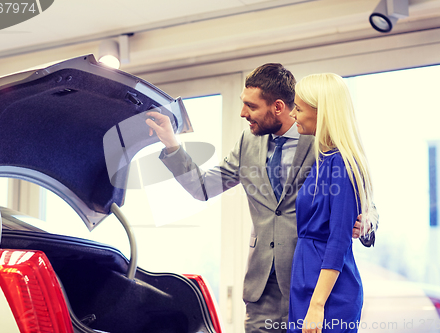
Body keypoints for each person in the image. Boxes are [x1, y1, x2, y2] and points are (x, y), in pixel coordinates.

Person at [145, 64, 375, 333]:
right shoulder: (247, 142)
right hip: (262, 290)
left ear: (278, 107)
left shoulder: (320, 139)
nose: (243, 113)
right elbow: (203, 187)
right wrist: (171, 145)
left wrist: (368, 222)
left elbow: (360, 199)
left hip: (310, 282)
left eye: (251, 107)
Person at [287, 73, 373, 333]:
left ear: (322, 112)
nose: (293, 115)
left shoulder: (342, 163)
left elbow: (338, 239)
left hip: (327, 295)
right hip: (307, 283)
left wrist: (317, 305)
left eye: (299, 109)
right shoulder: (323, 159)